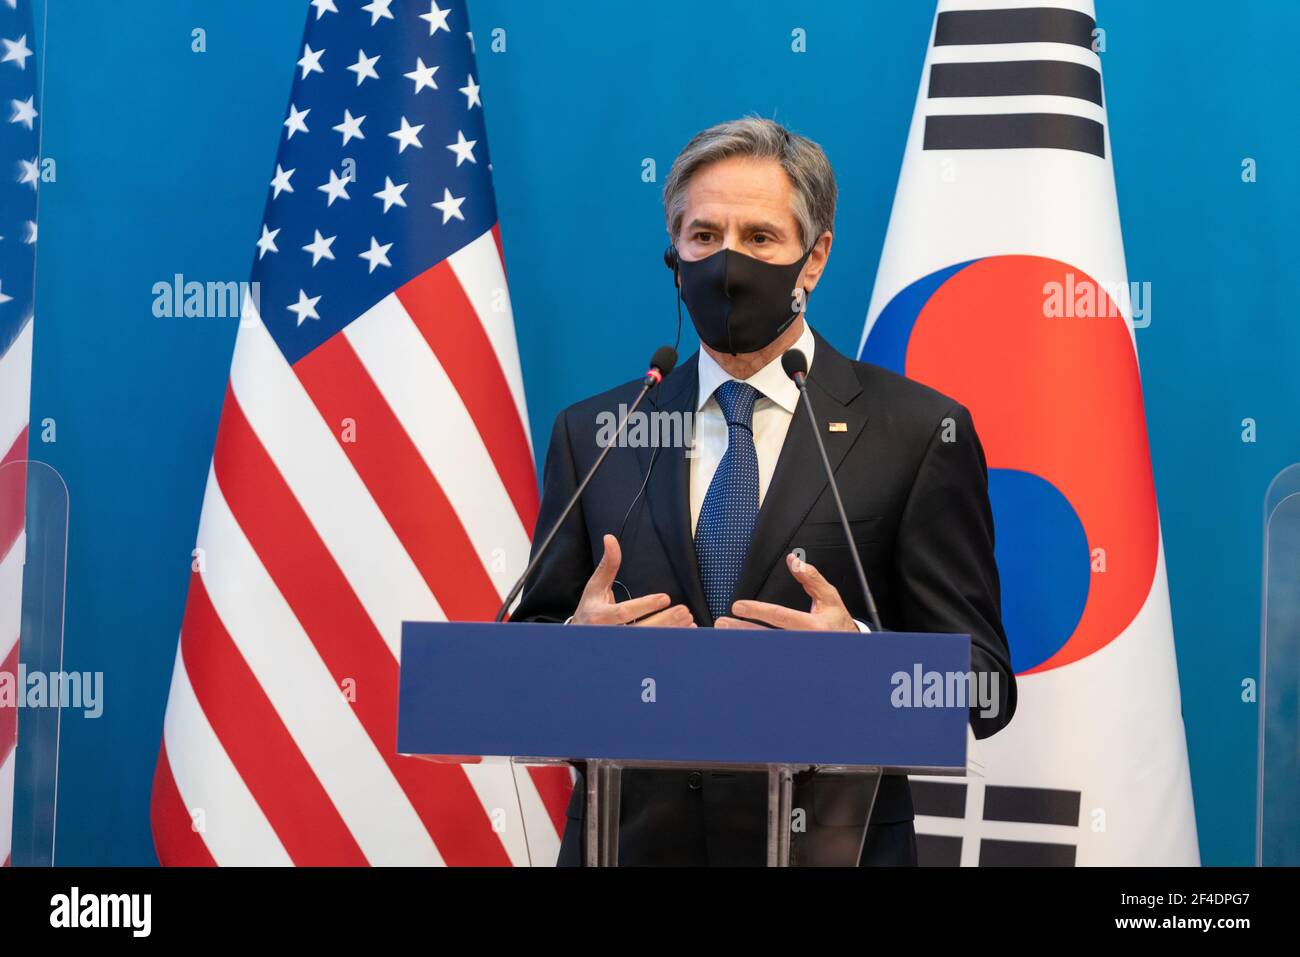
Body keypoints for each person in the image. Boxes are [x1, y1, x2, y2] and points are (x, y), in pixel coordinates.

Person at [512, 117, 1016, 866]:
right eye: (704, 236)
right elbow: (518, 665)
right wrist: (571, 655)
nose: (728, 262)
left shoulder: (918, 432)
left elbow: (984, 691)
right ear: (673, 258)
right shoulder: (598, 434)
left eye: (760, 238)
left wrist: (860, 662)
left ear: (814, 259)